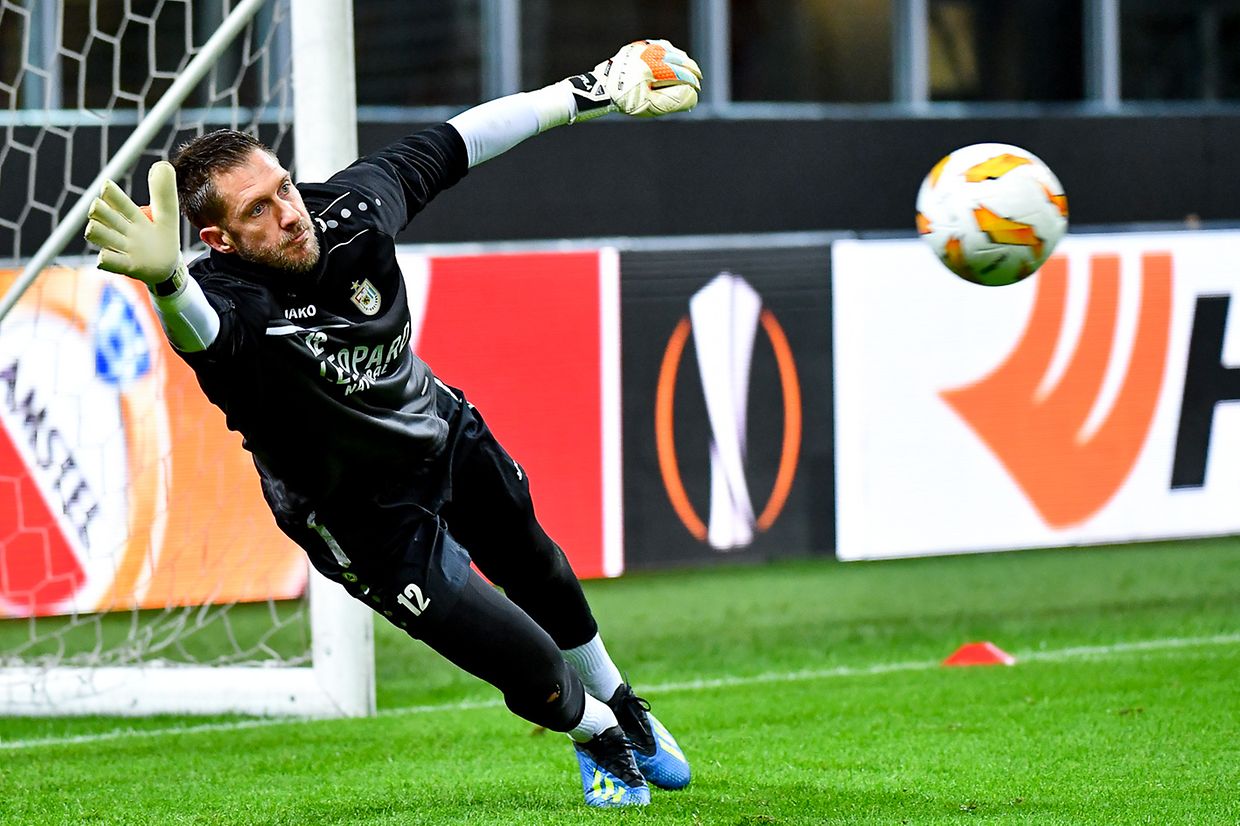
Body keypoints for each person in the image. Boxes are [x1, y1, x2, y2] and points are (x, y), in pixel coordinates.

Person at [83, 40, 701, 808]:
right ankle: (596, 734)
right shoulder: (227, 300)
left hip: (434, 430)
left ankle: (627, 708)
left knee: (536, 560)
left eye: (283, 188)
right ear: (219, 240)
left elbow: (464, 138)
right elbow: (201, 334)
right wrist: (169, 283)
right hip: (359, 515)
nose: (288, 213)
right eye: (258, 212)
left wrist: (593, 88)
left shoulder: (350, 209)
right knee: (525, 663)